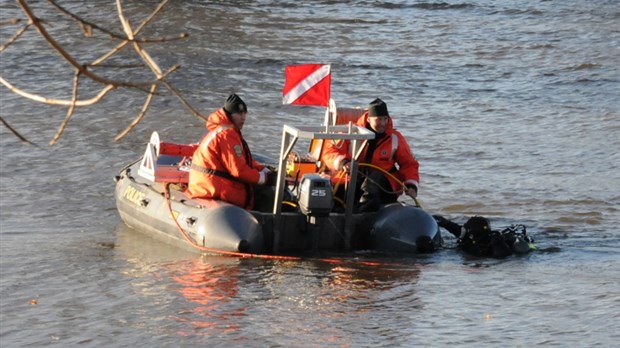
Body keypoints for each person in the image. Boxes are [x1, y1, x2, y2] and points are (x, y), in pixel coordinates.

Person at [321, 98, 420, 212]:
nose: (382, 123)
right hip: (353, 178)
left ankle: (361, 212)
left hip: (383, 185)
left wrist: (411, 185)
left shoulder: (395, 138)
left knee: (375, 178)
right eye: (378, 120)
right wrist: (343, 163)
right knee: (331, 193)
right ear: (368, 119)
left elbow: (409, 164)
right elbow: (329, 151)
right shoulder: (350, 133)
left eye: (385, 119)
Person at [187, 94, 275, 210]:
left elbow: (241, 161)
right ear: (229, 114)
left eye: (244, 113)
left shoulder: (221, 131)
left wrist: (262, 169)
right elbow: (238, 170)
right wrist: (264, 178)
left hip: (204, 186)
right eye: (239, 113)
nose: (243, 117)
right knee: (268, 194)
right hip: (214, 191)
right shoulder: (227, 135)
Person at [433, 215, 536, 258]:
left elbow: (502, 256)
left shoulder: (490, 245)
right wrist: (444, 222)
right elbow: (459, 231)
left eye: (466, 230)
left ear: (472, 234)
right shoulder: (474, 239)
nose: (462, 231)